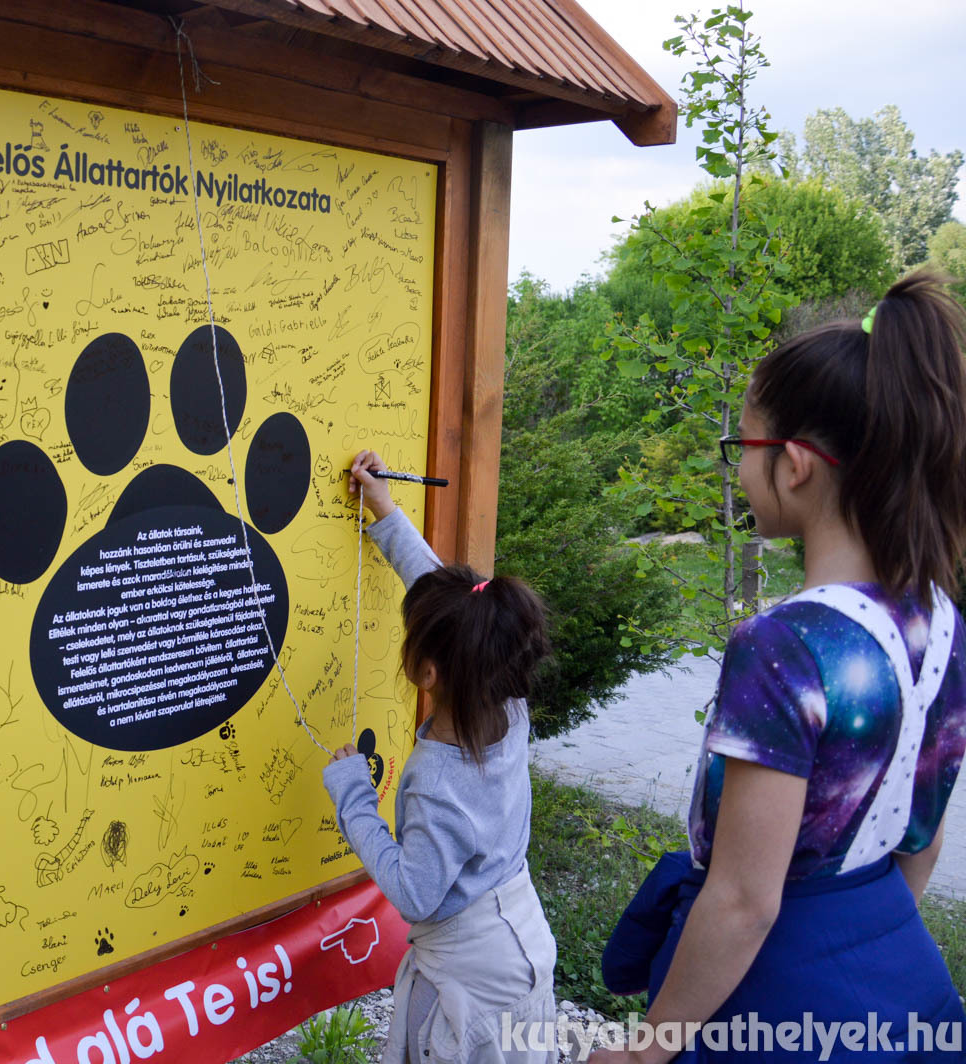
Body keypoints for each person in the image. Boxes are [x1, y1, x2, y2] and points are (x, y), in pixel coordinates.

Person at [592, 272, 966, 1063]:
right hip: (898, 975)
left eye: (744, 448)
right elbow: (921, 839)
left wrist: (646, 1052)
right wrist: (859, 946)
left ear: (795, 464)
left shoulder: (784, 645)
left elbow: (742, 899)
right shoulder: (942, 618)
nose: (738, 470)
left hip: (771, 1003)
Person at [324, 449, 557, 1064]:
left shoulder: (436, 778)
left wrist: (354, 795)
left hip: (467, 980)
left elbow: (415, 894)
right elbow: (454, 607)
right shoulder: (507, 705)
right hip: (522, 941)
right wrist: (384, 513)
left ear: (426, 669)